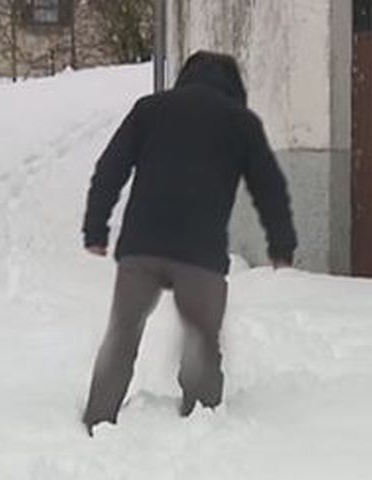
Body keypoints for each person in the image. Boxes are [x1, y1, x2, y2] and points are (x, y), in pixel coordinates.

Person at [80, 51, 297, 436]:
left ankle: (98, 418)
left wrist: (96, 228)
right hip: (200, 252)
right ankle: (201, 419)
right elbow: (270, 188)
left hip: (142, 247)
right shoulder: (240, 123)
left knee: (123, 331)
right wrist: (281, 244)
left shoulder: (150, 110)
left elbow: (110, 167)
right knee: (201, 337)